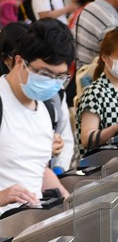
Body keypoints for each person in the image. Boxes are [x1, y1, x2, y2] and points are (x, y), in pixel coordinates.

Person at [0, 20, 73, 215]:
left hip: (28, 230)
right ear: (18, 62)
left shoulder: (45, 108)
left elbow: (36, 169)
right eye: (44, 73)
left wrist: (70, 204)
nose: (51, 82)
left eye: (59, 77)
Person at [76, 28, 118, 156]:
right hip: (106, 166)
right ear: (105, 58)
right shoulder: (94, 92)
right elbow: (87, 139)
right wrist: (115, 128)